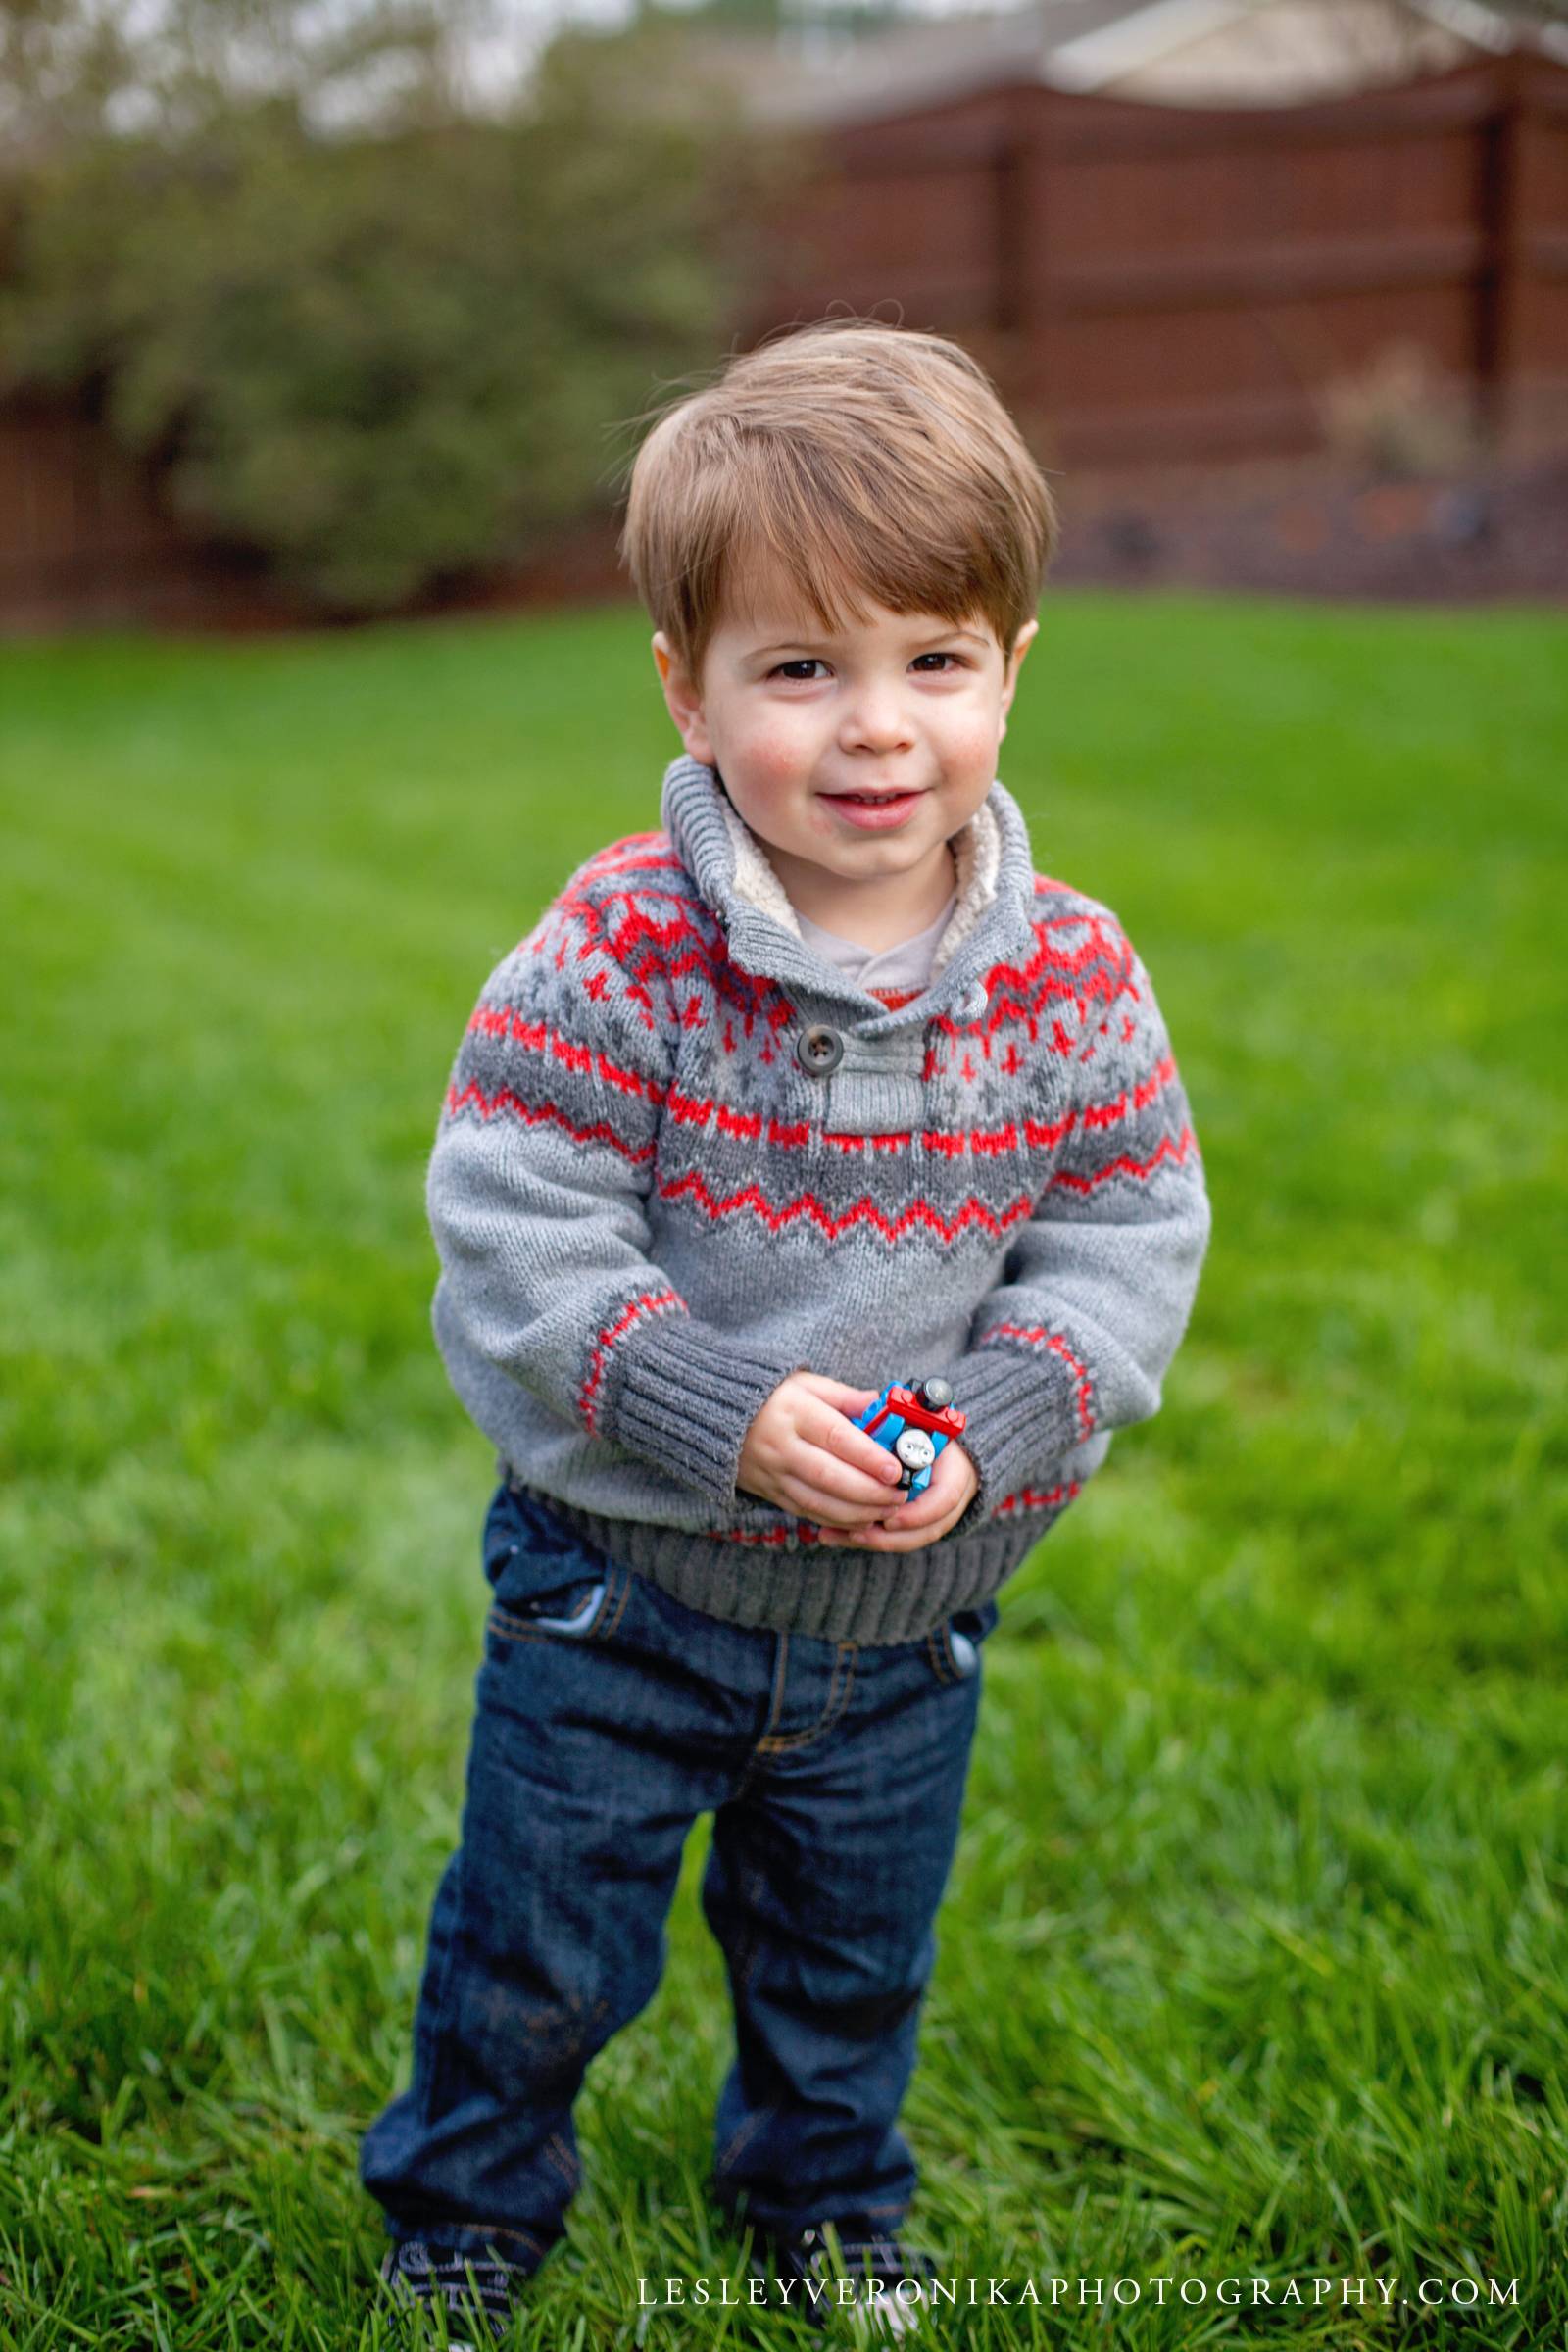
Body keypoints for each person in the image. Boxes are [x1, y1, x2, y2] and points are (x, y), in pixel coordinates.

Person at [360, 317, 1212, 2344]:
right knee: (538, 1945)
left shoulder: (1070, 978)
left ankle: (824, 2201)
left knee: (848, 1954)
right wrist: (718, 1409)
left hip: (904, 1616)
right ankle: (468, 2211)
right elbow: (516, 1216)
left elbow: (1125, 1229)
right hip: (616, 1593)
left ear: (1011, 666)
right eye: (799, 668)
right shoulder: (622, 945)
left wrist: (999, 1417)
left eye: (932, 661)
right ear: (686, 682)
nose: (874, 730)